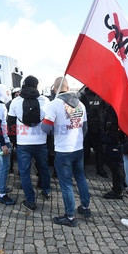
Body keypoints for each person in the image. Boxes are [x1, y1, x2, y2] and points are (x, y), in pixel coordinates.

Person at [42, 77, 91, 227]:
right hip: (78, 148)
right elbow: (85, 128)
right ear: (67, 87)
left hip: (63, 150)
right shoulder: (81, 104)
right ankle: (85, 208)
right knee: (80, 178)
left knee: (66, 184)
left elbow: (46, 128)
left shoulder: (54, 104)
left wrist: (58, 130)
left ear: (55, 87)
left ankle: (70, 217)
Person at [8, 76, 51, 210]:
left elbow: (10, 125)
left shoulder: (15, 101)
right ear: (36, 85)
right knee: (44, 168)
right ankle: (46, 190)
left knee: (24, 172)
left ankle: (30, 200)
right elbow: (50, 122)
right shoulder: (45, 100)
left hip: (23, 142)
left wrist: (14, 141)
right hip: (41, 141)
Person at [80, 86, 108, 177]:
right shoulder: (83, 95)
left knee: (99, 150)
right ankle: (82, 169)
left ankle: (100, 169)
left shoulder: (102, 96)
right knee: (85, 149)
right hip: (87, 127)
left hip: (99, 127)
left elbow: (105, 110)